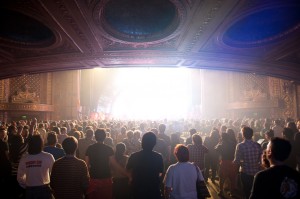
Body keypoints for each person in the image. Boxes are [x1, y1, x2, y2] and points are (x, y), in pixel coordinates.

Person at [85, 128, 128, 199]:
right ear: (105, 137)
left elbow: (86, 165)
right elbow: (115, 164)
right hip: (106, 179)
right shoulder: (109, 149)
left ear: (95, 137)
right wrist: (127, 174)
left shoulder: (90, 148)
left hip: (93, 178)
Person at [126, 132, 164, 199]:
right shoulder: (158, 157)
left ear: (142, 142)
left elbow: (128, 169)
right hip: (153, 189)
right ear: (154, 143)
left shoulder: (134, 156)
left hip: (137, 189)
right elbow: (160, 172)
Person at [17, 134, 55, 199]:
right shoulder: (48, 157)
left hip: (30, 189)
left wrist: (26, 184)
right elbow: (54, 173)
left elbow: (19, 177)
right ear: (41, 143)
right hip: (44, 188)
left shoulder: (24, 158)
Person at [233, 126, 262, 199]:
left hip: (245, 172)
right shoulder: (258, 145)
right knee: (255, 192)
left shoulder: (240, 146)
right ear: (252, 135)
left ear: (243, 135)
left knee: (246, 192)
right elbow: (261, 159)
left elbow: (237, 160)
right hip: (256, 172)